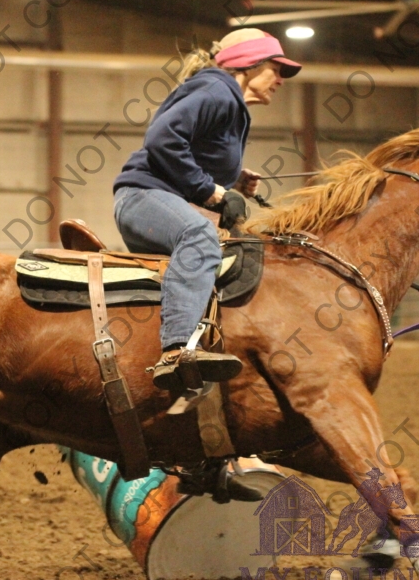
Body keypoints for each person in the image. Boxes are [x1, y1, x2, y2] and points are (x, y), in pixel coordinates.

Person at [111, 29, 301, 501]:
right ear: (247, 65)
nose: (281, 79)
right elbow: (162, 139)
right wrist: (212, 192)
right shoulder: (216, 89)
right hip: (142, 197)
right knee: (199, 236)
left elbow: (191, 151)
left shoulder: (228, 103)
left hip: (157, 198)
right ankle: (178, 351)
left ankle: (206, 455)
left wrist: (234, 179)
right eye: (276, 68)